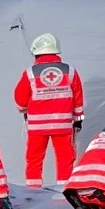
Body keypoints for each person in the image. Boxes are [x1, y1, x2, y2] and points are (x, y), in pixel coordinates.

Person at [12, 33, 85, 188]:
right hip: (63, 124)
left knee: (34, 158)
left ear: (37, 53)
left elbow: (20, 98)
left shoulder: (30, 73)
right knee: (65, 157)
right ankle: (63, 192)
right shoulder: (70, 71)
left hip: (37, 126)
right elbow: (78, 97)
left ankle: (32, 190)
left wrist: (24, 110)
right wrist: (78, 119)